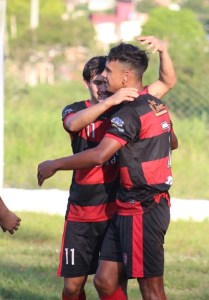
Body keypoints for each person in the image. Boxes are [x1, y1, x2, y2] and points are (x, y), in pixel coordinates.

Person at [38, 37, 177, 300]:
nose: (103, 81)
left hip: (137, 206)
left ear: (125, 77)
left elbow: (101, 155)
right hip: (100, 209)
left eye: (107, 74)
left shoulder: (133, 108)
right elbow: (72, 125)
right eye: (97, 79)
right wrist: (111, 105)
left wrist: (54, 164)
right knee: (99, 281)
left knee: (147, 288)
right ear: (86, 83)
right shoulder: (87, 109)